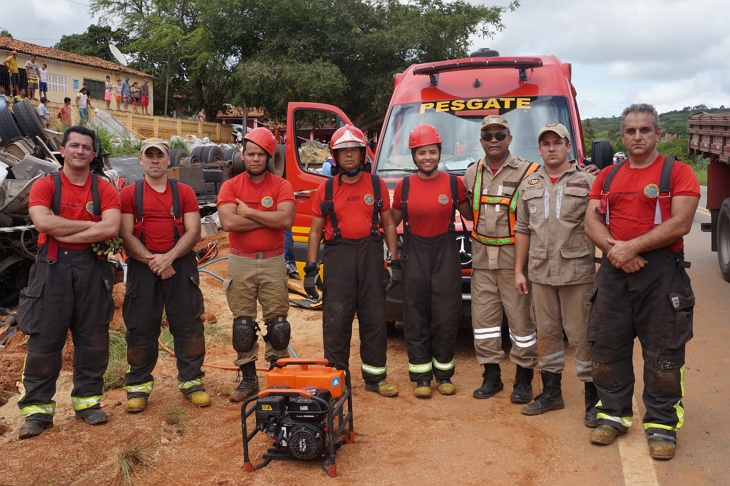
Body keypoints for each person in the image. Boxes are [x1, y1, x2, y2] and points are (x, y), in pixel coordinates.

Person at [584, 104, 700, 460]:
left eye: (645, 130)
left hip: (661, 274)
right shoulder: (607, 176)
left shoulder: (678, 173)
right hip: (614, 272)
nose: (638, 136)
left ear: (657, 134)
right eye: (631, 131)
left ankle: (662, 425)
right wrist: (616, 251)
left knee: (664, 352)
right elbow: (591, 222)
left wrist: (630, 248)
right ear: (622, 135)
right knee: (606, 348)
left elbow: (680, 223)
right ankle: (613, 415)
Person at [16, 126, 121, 439]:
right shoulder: (45, 185)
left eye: (86, 147)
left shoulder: (104, 188)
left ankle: (87, 403)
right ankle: (37, 412)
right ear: (62, 150)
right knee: (44, 342)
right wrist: (91, 227)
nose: (79, 151)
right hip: (52, 270)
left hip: (93, 270)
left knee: (93, 339)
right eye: (73, 145)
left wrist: (68, 232)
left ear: (93, 154)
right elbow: (43, 222)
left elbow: (112, 227)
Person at [304, 125, 400, 397]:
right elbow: (314, 231)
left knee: (374, 317)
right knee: (336, 320)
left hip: (370, 256)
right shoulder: (325, 190)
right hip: (338, 258)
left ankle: (375, 377)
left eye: (353, 151)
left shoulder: (377, 185)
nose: (348, 156)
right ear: (335, 156)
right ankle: (337, 379)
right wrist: (311, 268)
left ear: (362, 155)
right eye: (343, 151)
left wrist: (394, 261)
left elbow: (389, 225)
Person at [513, 122, 598, 424]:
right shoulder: (530, 185)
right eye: (546, 143)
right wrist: (519, 271)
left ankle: (593, 398)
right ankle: (552, 393)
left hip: (576, 274)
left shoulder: (588, 182)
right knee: (546, 334)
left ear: (567, 147)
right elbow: (522, 229)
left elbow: (599, 224)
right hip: (540, 273)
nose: (552, 148)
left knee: (581, 335)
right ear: (539, 149)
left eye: (557, 142)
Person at [119, 138, 210, 413]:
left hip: (179, 266)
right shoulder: (129, 194)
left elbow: (194, 231)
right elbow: (124, 234)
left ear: (168, 160)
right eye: (150, 156)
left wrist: (168, 258)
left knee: (188, 325)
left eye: (160, 155)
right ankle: (137, 386)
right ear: (141, 161)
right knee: (140, 327)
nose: (155, 160)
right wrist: (153, 261)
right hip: (142, 267)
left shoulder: (183, 192)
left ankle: (192, 382)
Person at [463, 115, 540, 403]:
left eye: (500, 135)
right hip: (482, 261)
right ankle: (491, 376)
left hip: (514, 262)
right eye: (488, 136)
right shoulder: (472, 173)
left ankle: (523, 380)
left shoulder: (530, 172)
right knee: (484, 323)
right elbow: (469, 212)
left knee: (521, 323)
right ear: (481, 140)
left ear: (510, 138)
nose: (493, 140)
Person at [391, 124, 470, 398]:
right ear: (414, 155)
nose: (428, 157)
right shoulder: (404, 186)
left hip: (446, 253)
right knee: (415, 314)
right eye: (422, 152)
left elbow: (471, 214)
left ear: (440, 153)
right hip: (415, 253)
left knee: (446, 315)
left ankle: (444, 375)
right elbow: (392, 222)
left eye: (432, 152)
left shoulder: (453, 183)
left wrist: (475, 186)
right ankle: (422, 377)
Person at [217, 127, 296, 402]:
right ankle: (249, 379)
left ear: (269, 156)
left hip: (273, 261)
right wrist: (268, 215)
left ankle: (277, 376)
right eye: (250, 153)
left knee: (278, 324)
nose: (255, 159)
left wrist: (249, 211)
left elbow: (285, 221)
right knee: (242, 324)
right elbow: (228, 223)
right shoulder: (231, 186)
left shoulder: (281, 186)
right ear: (243, 155)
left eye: (260, 154)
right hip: (241, 261)